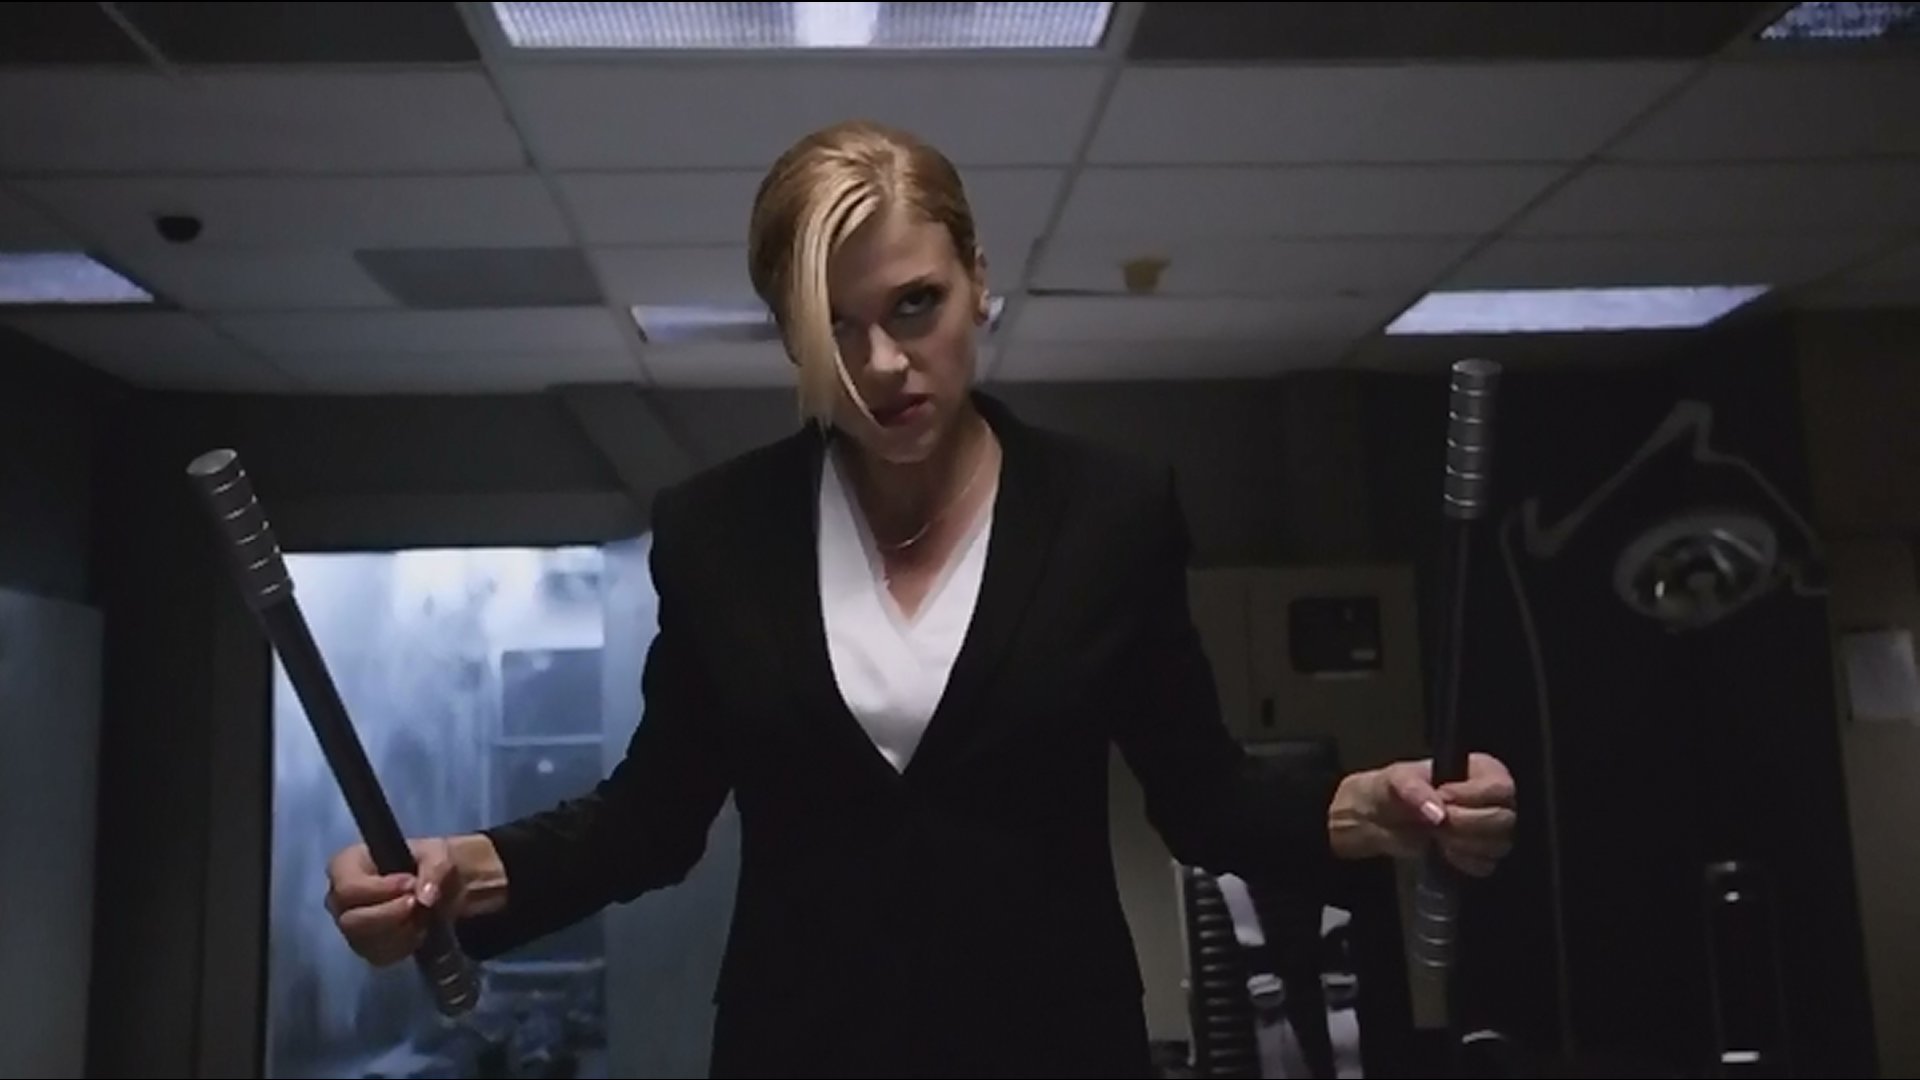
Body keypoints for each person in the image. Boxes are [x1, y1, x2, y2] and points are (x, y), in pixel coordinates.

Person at [323, 119, 1518, 1079]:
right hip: (803, 1048)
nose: (883, 366)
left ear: (977, 279)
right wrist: (455, 876)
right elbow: (651, 819)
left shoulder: (1111, 514)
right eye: (834, 330)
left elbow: (1203, 798)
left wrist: (1371, 809)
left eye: (914, 305)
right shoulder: (719, 532)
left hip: (1054, 1045)